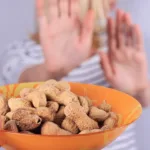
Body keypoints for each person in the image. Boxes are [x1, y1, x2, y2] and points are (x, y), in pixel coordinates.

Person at [0, 0, 149, 150]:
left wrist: (139, 90)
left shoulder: (117, 50)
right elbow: (21, 82)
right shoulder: (22, 51)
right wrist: (51, 70)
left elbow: (141, 102)